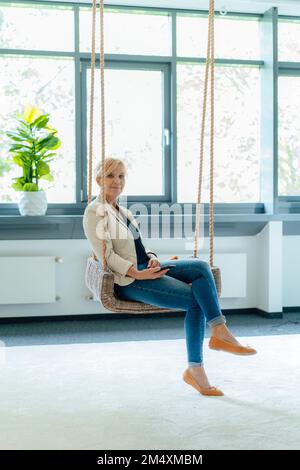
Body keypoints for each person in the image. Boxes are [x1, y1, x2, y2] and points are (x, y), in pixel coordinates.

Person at [83, 157, 257, 397]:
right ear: (99, 179)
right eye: (111, 176)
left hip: (145, 266)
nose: (117, 181)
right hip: (130, 280)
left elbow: (139, 246)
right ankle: (196, 369)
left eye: (121, 176)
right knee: (196, 300)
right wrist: (137, 272)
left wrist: (153, 257)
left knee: (200, 266)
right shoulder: (94, 212)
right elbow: (107, 256)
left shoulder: (121, 210)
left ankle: (219, 331)